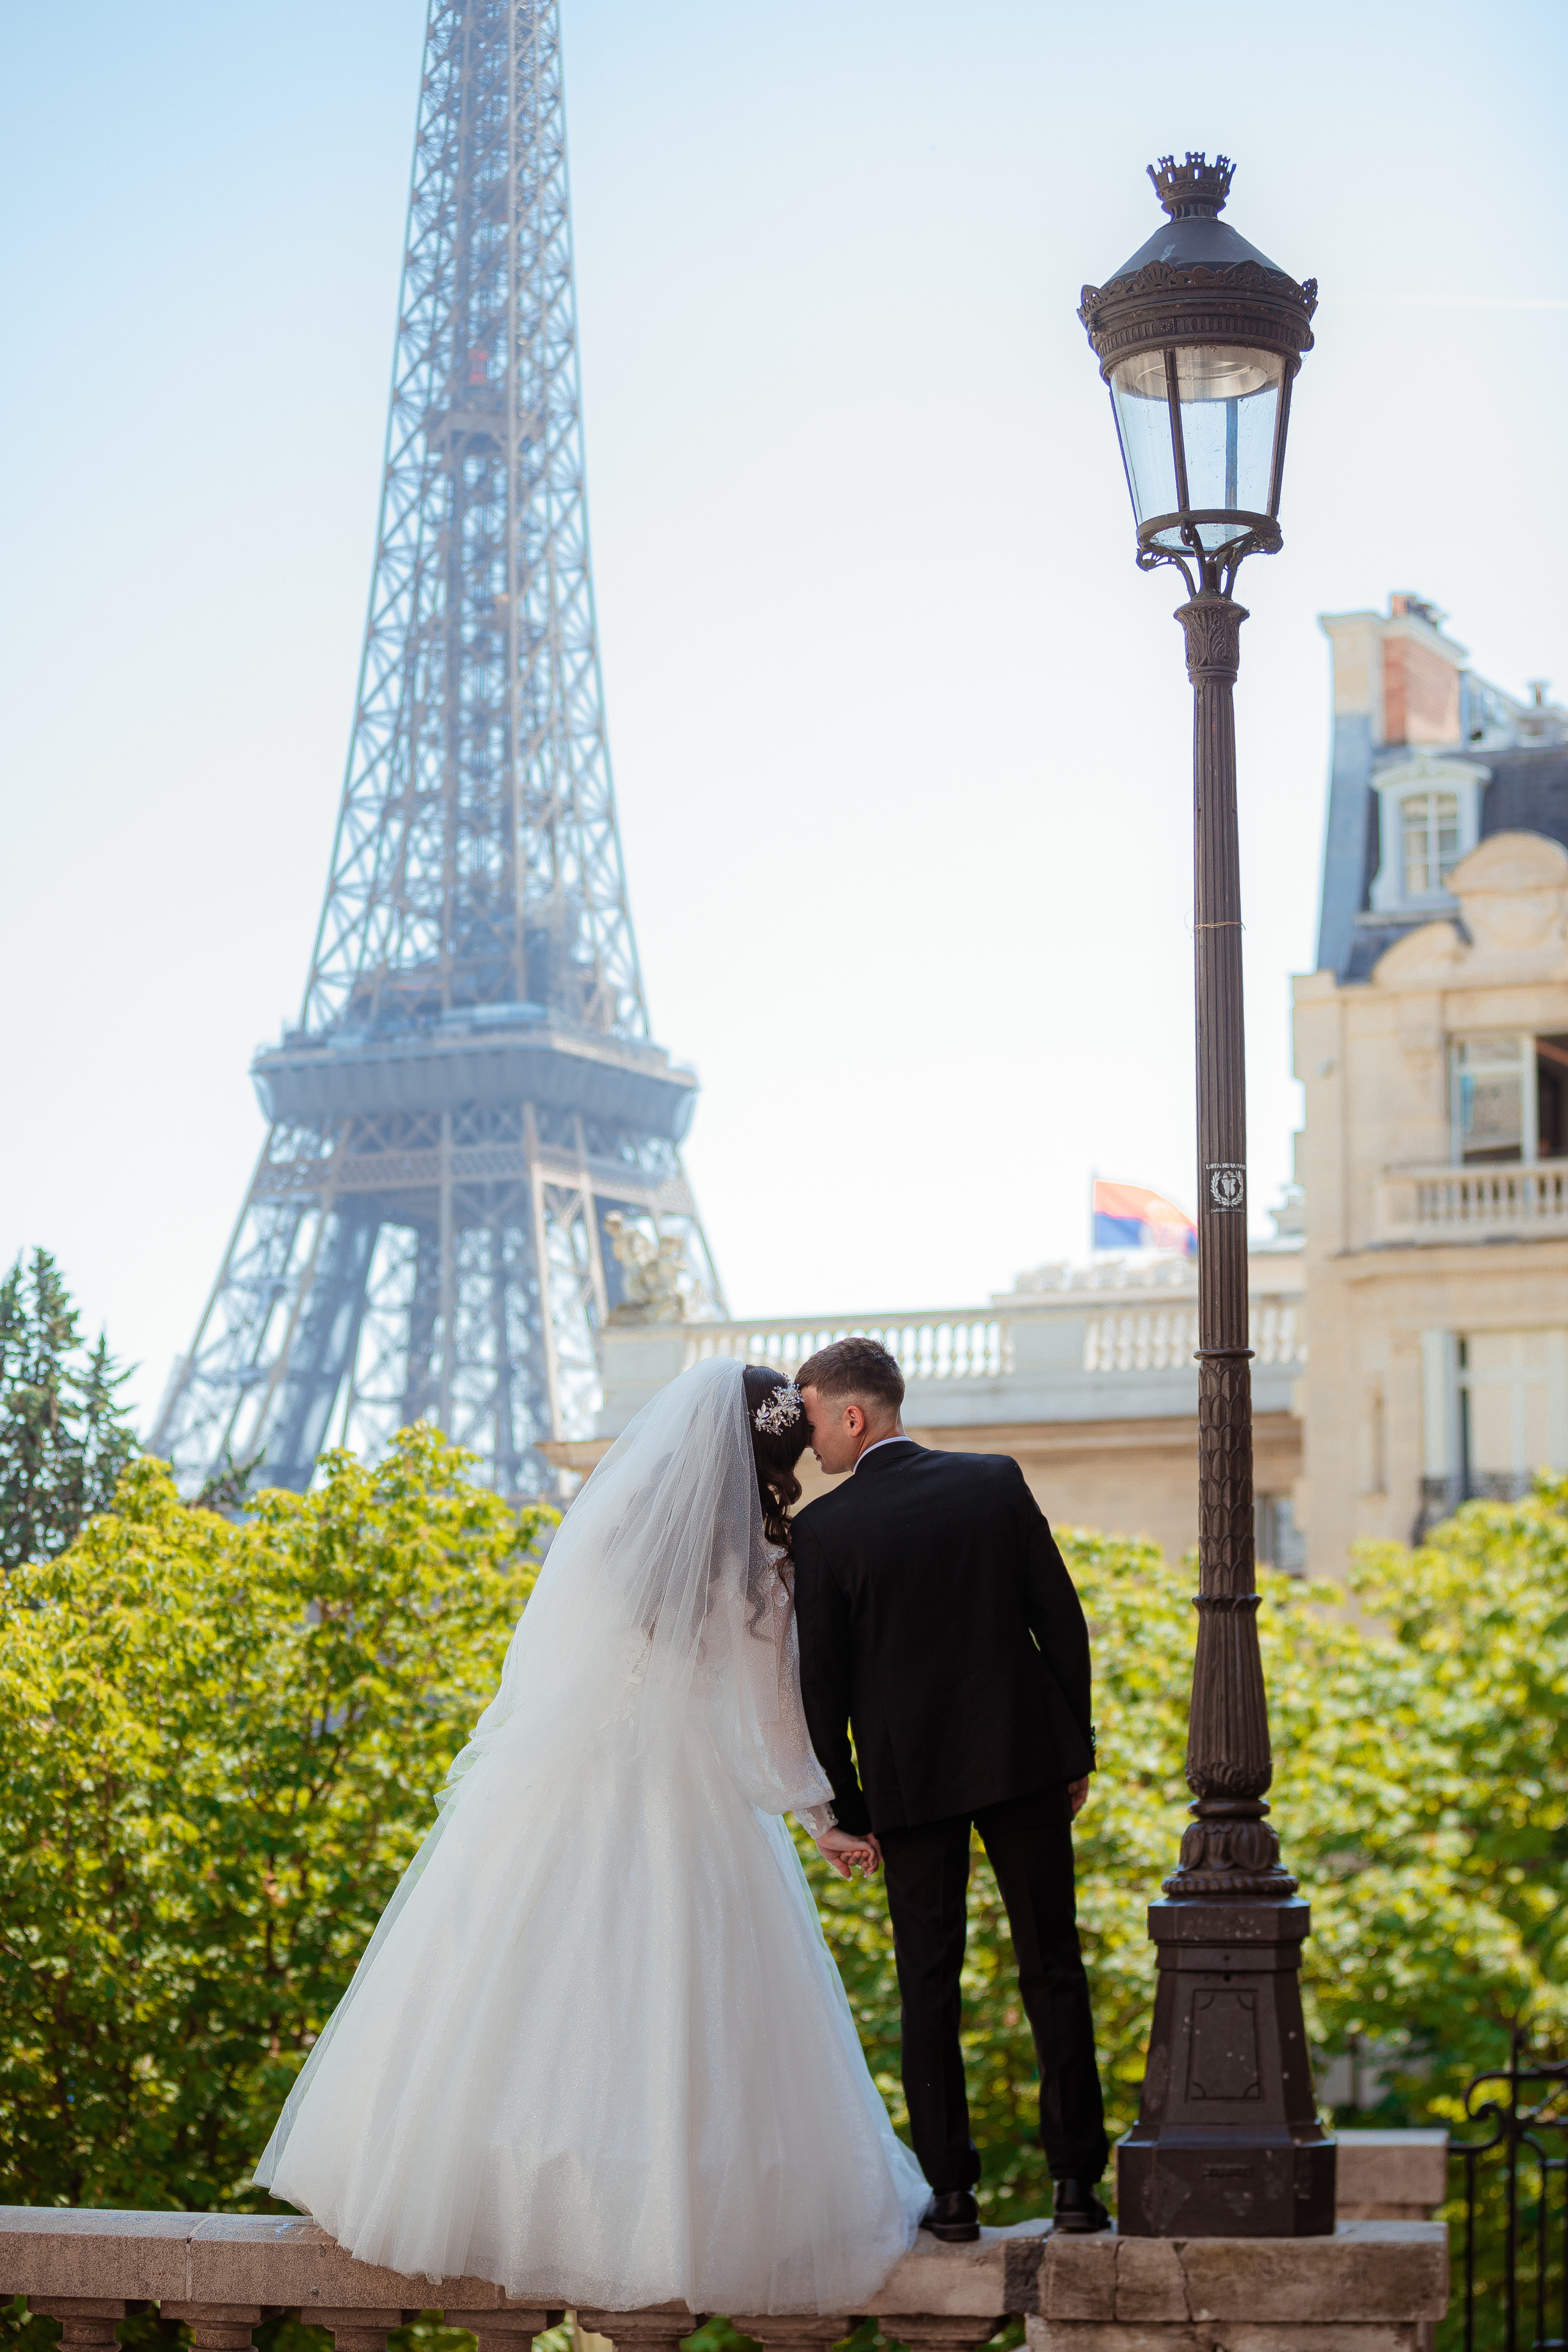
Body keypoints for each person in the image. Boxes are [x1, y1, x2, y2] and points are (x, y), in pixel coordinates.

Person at [254, 1357, 928, 2313]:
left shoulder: (612, 1526)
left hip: (563, 1781)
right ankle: (650, 2220)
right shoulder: (763, 1564)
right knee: (667, 2008)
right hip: (687, 1796)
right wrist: (824, 1816)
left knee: (509, 1995)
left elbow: (552, 1658)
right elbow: (774, 1715)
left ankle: (479, 2190)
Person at [792, 1335, 1110, 2239]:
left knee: (928, 1981)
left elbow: (824, 1686)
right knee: (1054, 1967)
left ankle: (955, 2195)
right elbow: (1062, 1621)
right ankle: (1078, 2189)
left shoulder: (825, 1531)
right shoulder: (994, 1482)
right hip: (1024, 1761)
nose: (811, 1443)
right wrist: (1073, 1748)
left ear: (853, 1417)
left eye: (814, 1420)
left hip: (910, 1784)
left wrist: (847, 1805)